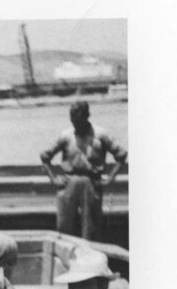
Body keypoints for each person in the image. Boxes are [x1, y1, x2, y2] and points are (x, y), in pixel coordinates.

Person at [40, 100, 128, 241]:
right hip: (69, 182)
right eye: (73, 121)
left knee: (91, 228)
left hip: (92, 182)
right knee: (64, 226)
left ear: (87, 117)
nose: (75, 124)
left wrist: (109, 179)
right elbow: (45, 157)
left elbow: (121, 155)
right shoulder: (66, 135)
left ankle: (89, 250)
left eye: (78, 121)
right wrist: (54, 179)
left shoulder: (101, 134)